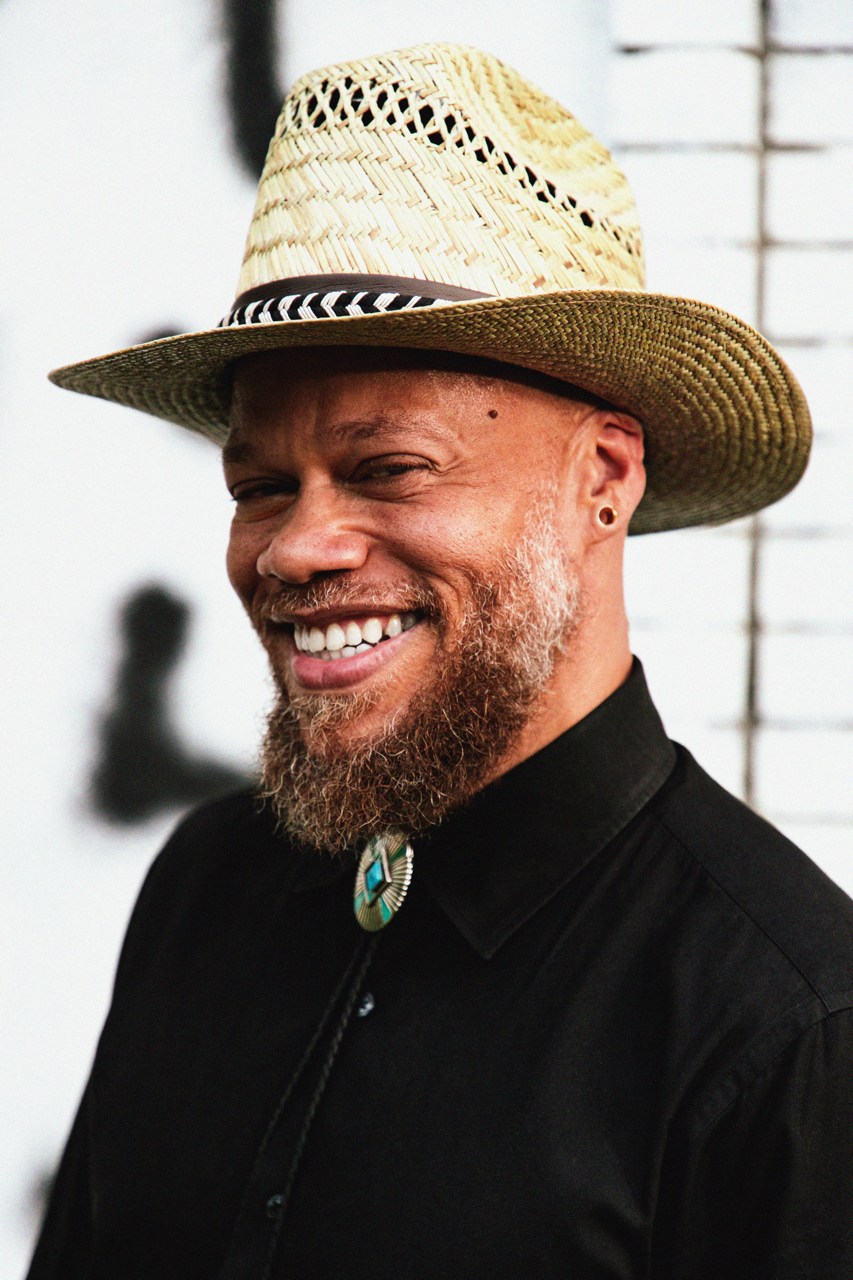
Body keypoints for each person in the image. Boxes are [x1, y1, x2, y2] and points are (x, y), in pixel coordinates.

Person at [29, 42, 853, 1280]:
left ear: (604, 476)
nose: (297, 547)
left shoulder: (784, 1023)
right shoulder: (207, 882)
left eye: (387, 469)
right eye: (260, 485)